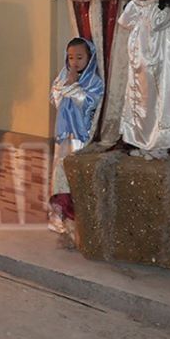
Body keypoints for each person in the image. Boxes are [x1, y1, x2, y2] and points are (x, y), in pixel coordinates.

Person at [117, 0, 170, 159]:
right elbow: (124, 20)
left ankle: (159, 145)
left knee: (157, 104)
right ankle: (142, 142)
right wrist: (136, 2)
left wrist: (146, 4)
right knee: (140, 105)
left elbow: (155, 23)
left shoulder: (166, 11)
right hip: (138, 68)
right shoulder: (141, 7)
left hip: (157, 68)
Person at [48, 38, 104, 244]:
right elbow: (55, 97)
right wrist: (67, 85)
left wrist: (73, 86)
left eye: (79, 57)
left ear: (89, 58)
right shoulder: (63, 75)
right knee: (59, 174)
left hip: (81, 138)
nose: (74, 62)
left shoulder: (94, 82)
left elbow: (88, 104)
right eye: (71, 57)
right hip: (64, 136)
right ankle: (59, 219)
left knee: (75, 178)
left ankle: (78, 223)